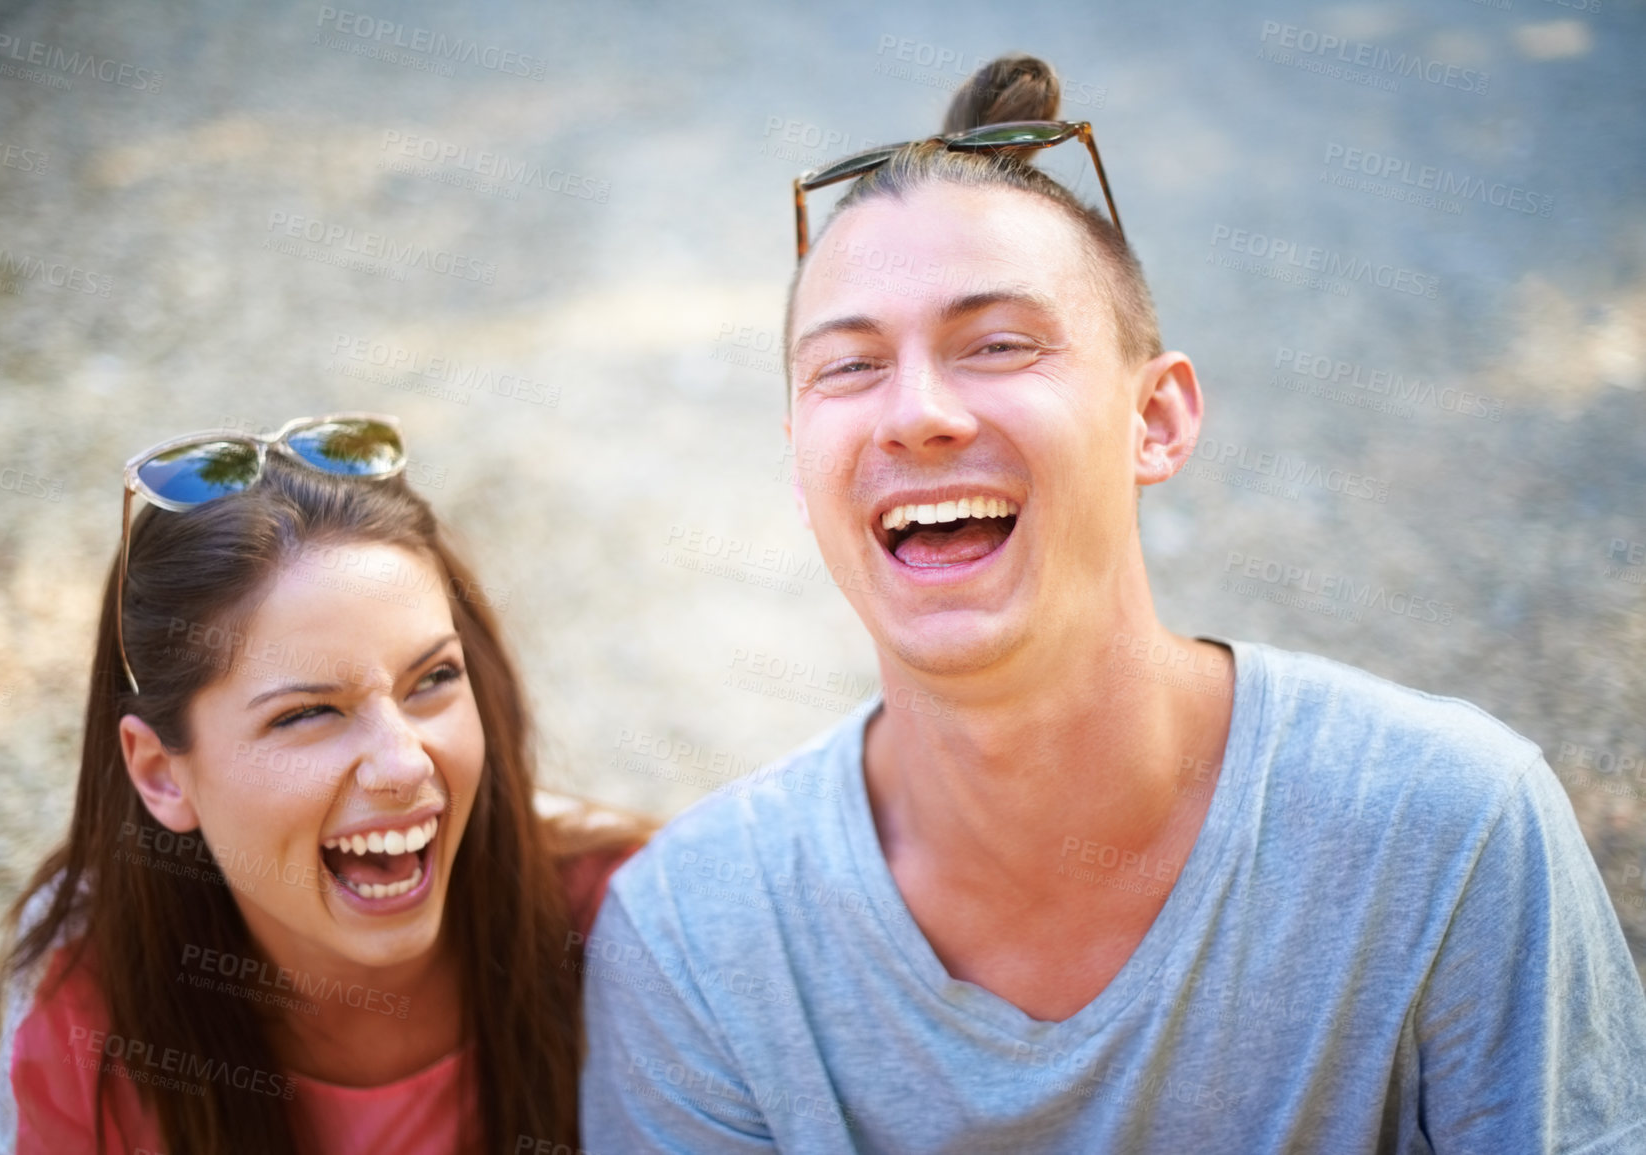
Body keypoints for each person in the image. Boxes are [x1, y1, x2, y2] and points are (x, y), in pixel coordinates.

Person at [580, 55, 1646, 1152]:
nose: (918, 413)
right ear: (800, 467)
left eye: (997, 344)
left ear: (1159, 419)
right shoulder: (693, 941)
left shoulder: (1450, 837)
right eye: (847, 368)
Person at [0, 414, 648, 1154]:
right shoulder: (86, 1012)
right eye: (307, 713)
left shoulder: (623, 921)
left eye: (432, 678)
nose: (404, 764)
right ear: (160, 773)